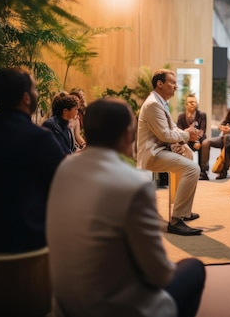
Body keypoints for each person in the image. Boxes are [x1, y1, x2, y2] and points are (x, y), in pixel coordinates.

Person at [47, 97, 206, 317]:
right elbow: (159, 274)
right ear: (127, 135)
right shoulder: (135, 184)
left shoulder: (64, 168)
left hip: (66, 303)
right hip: (114, 308)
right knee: (194, 268)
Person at [0, 68, 66, 252]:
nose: (37, 93)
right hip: (30, 237)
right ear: (26, 98)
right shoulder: (40, 138)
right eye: (34, 89)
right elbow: (62, 185)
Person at [136, 68, 203, 236]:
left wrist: (183, 140)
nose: (176, 87)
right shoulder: (153, 104)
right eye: (172, 82)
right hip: (152, 154)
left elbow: (172, 128)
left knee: (188, 154)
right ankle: (176, 220)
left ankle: (183, 212)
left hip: (161, 148)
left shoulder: (159, 101)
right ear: (160, 84)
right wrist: (188, 134)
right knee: (192, 168)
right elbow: (165, 135)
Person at [200, 91, 230, 180]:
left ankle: (224, 170)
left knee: (227, 137)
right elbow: (223, 122)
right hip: (226, 136)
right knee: (205, 142)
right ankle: (204, 172)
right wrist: (221, 127)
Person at [176, 93, 207, 166]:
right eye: (190, 102)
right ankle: (185, 168)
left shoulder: (202, 115)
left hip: (198, 140)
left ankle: (203, 171)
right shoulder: (181, 116)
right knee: (180, 144)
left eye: (194, 102)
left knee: (205, 142)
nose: (192, 104)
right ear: (186, 104)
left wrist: (197, 141)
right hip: (186, 140)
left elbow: (203, 130)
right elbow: (179, 131)